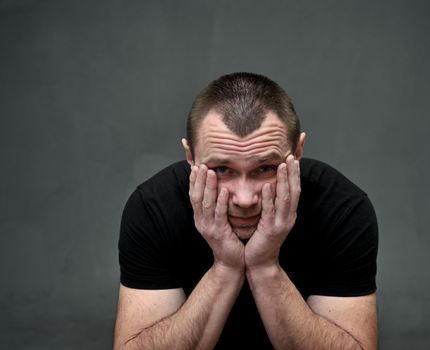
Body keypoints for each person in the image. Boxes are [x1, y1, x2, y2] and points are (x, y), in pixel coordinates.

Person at [113, 72, 379, 349]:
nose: (244, 199)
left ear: (297, 153)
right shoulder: (153, 208)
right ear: (190, 157)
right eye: (222, 169)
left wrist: (265, 266)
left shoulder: (342, 208)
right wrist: (225, 267)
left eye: (265, 168)